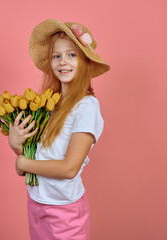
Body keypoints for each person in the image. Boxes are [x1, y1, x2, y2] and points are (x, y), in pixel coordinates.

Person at [8, 19, 110, 240]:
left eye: (72, 55)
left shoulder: (86, 106)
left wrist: (22, 163)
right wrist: (17, 147)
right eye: (57, 56)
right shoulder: (51, 105)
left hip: (64, 210)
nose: (63, 62)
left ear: (84, 61)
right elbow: (44, 158)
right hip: (37, 202)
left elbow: (69, 168)